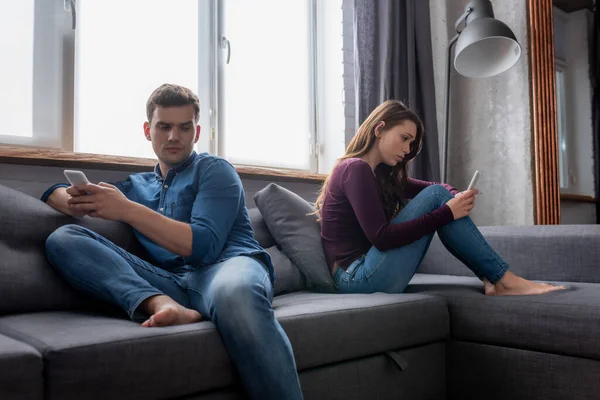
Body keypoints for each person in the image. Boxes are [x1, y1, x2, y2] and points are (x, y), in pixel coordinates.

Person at [42, 83, 303, 400]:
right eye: (163, 126)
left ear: (196, 132)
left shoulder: (215, 170)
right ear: (147, 130)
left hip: (229, 268)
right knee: (64, 238)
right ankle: (160, 304)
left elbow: (203, 245)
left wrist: (127, 210)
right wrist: (66, 200)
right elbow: (55, 190)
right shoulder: (134, 187)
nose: (173, 136)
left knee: (234, 293)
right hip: (172, 284)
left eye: (184, 127)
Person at [315, 99, 565, 296]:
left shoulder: (379, 176)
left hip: (366, 273)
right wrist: (447, 211)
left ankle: (494, 279)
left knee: (439, 194)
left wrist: (455, 197)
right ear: (379, 128)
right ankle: (503, 279)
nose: (407, 150)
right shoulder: (354, 169)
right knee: (437, 197)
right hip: (355, 278)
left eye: (411, 144)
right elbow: (381, 238)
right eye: (404, 139)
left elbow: (440, 187)